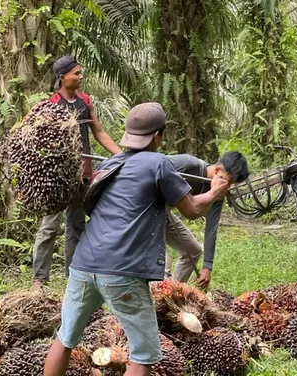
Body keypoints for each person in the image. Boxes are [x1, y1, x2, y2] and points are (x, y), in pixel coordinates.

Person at [43, 102, 230, 376]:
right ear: (157, 136)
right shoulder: (159, 163)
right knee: (143, 354)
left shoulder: (110, 163)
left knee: (65, 337)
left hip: (83, 265)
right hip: (122, 271)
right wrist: (215, 192)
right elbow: (191, 209)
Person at [33, 55, 121, 289]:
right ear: (63, 77)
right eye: (77, 73)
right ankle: (39, 279)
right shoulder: (50, 104)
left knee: (76, 225)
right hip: (58, 178)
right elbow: (40, 140)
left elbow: (99, 132)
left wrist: (121, 154)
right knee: (50, 226)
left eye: (81, 73)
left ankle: (72, 275)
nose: (81, 77)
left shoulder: (85, 101)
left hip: (82, 175)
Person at [164, 152, 249, 289]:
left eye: (232, 184)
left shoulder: (218, 193)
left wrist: (207, 266)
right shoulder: (187, 165)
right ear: (217, 170)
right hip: (145, 209)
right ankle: (158, 300)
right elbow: (151, 167)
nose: (227, 187)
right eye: (228, 181)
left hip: (164, 212)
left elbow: (211, 227)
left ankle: (173, 294)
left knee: (193, 250)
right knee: (162, 263)